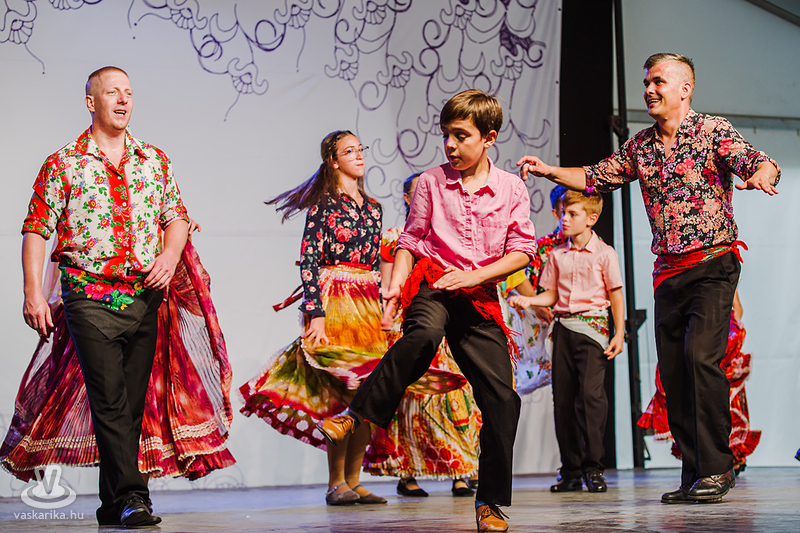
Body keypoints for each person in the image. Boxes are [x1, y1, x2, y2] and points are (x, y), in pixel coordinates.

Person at [517, 52, 780, 503]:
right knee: (674, 375)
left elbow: (760, 161)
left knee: (700, 360)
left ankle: (719, 467)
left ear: (685, 88)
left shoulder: (712, 131)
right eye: (646, 83)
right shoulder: (641, 146)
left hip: (712, 265)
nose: (649, 90)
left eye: (658, 81)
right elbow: (596, 176)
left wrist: (760, 175)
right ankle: (694, 472)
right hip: (668, 275)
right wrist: (549, 170)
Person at [317, 89, 537, 533]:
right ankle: (355, 415)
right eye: (446, 135)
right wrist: (396, 286)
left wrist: (474, 277)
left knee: (502, 400)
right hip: (432, 284)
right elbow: (411, 240)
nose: (450, 145)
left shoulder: (511, 188)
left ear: (489, 138)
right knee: (421, 336)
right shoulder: (431, 183)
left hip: (477, 295)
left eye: (461, 136)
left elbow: (522, 251)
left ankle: (490, 503)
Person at [20, 66, 190, 527]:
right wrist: (33, 291)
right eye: (112, 92)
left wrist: (170, 254)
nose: (123, 99)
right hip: (88, 295)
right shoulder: (64, 162)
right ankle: (135, 496)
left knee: (130, 405)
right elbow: (36, 228)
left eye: (128, 92)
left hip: (143, 296)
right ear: (91, 102)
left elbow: (176, 217)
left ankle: (112, 502)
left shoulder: (154, 160)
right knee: (109, 398)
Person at [2, 225, 235, 484]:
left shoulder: (160, 201)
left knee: (142, 406)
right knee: (111, 400)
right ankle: (125, 494)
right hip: (96, 296)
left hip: (152, 302)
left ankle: (129, 495)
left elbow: (173, 218)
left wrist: (177, 230)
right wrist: (40, 295)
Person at [239, 130, 389, 506]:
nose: (359, 155)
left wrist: (387, 306)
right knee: (340, 391)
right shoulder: (323, 204)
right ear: (333, 161)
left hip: (368, 304)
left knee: (367, 390)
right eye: (349, 151)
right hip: (335, 299)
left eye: (360, 149)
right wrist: (315, 314)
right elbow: (308, 261)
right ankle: (336, 482)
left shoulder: (374, 208)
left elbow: (376, 262)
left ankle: (354, 480)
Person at [363, 173, 481, 499]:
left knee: (454, 399)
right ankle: (408, 472)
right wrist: (389, 316)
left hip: (447, 320)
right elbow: (390, 283)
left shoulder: (447, 233)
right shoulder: (393, 237)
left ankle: (462, 471)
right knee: (410, 402)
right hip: (413, 321)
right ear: (406, 199)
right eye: (419, 192)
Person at [509, 190, 624, 493]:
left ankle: (593, 468)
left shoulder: (605, 253)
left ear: (591, 219)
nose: (565, 219)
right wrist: (529, 300)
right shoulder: (556, 254)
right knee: (563, 401)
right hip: (562, 330)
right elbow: (550, 294)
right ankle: (570, 470)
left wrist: (619, 332)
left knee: (591, 398)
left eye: (573, 214)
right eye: (563, 214)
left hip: (593, 330)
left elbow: (615, 294)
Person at [637, 290, 761, 476]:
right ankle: (705, 463)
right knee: (703, 398)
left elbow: (736, 309)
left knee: (719, 399)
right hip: (706, 339)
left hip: (717, 342)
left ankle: (722, 462)